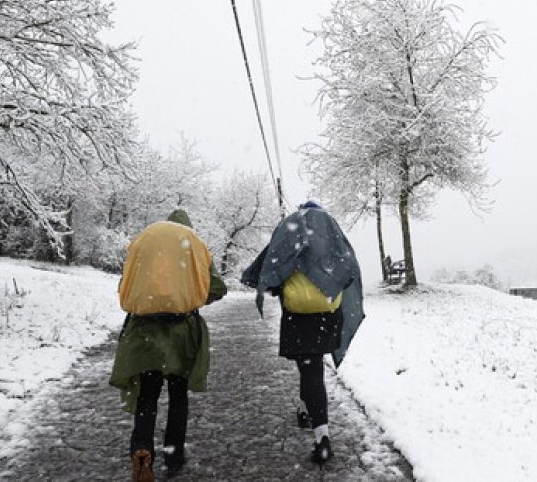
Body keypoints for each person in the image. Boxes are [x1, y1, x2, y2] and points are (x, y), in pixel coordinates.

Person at [241, 201, 365, 465]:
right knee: (311, 365)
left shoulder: (289, 230)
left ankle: (322, 436)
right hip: (326, 314)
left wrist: (282, 282)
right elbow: (349, 272)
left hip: (297, 315)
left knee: (309, 368)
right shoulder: (332, 234)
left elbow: (262, 273)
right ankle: (304, 409)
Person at [109, 209, 227, 482]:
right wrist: (191, 296)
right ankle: (173, 455)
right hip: (181, 334)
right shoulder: (194, 244)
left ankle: (141, 450)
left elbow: (125, 284)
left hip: (144, 334)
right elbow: (218, 288)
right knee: (178, 396)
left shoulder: (145, 242)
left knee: (147, 398)